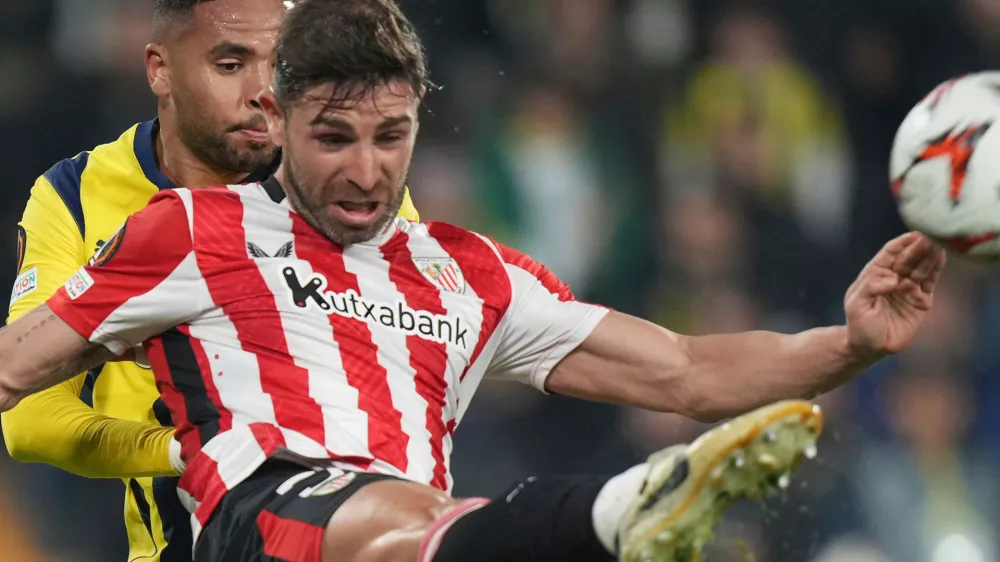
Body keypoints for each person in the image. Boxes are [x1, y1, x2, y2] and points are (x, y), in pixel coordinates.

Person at [0, 0, 945, 561]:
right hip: (261, 517)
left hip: (431, 539)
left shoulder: (469, 274)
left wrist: (850, 341)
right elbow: (15, 378)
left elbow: (688, 369)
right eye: (333, 138)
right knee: (404, 516)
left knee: (436, 522)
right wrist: (173, 454)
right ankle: (612, 517)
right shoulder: (189, 230)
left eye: (389, 137)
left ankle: (605, 518)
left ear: (418, 124)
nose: (366, 173)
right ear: (278, 119)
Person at [1, 1, 419, 560]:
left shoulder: (346, 182)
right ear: (160, 70)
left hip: (353, 530)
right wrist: (185, 451)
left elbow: (410, 363)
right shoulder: (75, 196)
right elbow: (29, 420)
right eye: (230, 65)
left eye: (280, 64)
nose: (263, 92)